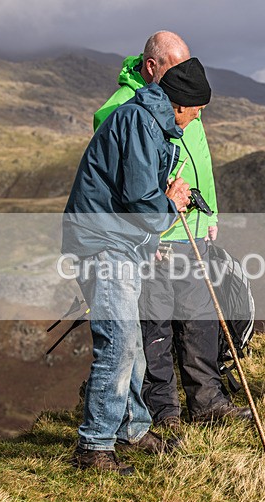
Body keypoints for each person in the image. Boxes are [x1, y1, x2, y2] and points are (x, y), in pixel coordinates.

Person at [94, 32, 251, 429]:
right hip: (157, 235)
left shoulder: (184, 99)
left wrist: (210, 213)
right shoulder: (120, 108)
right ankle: (163, 410)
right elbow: (126, 181)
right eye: (175, 68)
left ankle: (207, 402)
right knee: (155, 326)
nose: (183, 75)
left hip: (193, 229)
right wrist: (152, 230)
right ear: (152, 66)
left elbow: (200, 159)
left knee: (200, 320)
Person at [62, 57, 211, 474]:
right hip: (103, 243)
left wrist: (162, 201)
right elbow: (142, 203)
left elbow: (134, 190)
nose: (195, 120)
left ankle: (131, 428)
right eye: (197, 112)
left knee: (132, 345)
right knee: (120, 341)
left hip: (117, 242)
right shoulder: (141, 123)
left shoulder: (148, 121)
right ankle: (95, 446)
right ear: (181, 104)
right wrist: (172, 202)